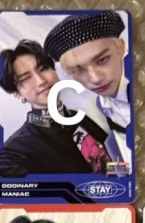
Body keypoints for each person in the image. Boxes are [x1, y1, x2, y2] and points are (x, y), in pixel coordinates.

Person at [0, 40, 111, 177]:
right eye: (26, 78)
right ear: (17, 93)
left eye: (43, 68)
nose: (41, 81)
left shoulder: (77, 117)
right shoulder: (15, 151)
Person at [44, 11, 131, 166]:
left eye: (102, 60)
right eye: (78, 70)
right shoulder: (102, 104)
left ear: (120, 48)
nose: (95, 79)